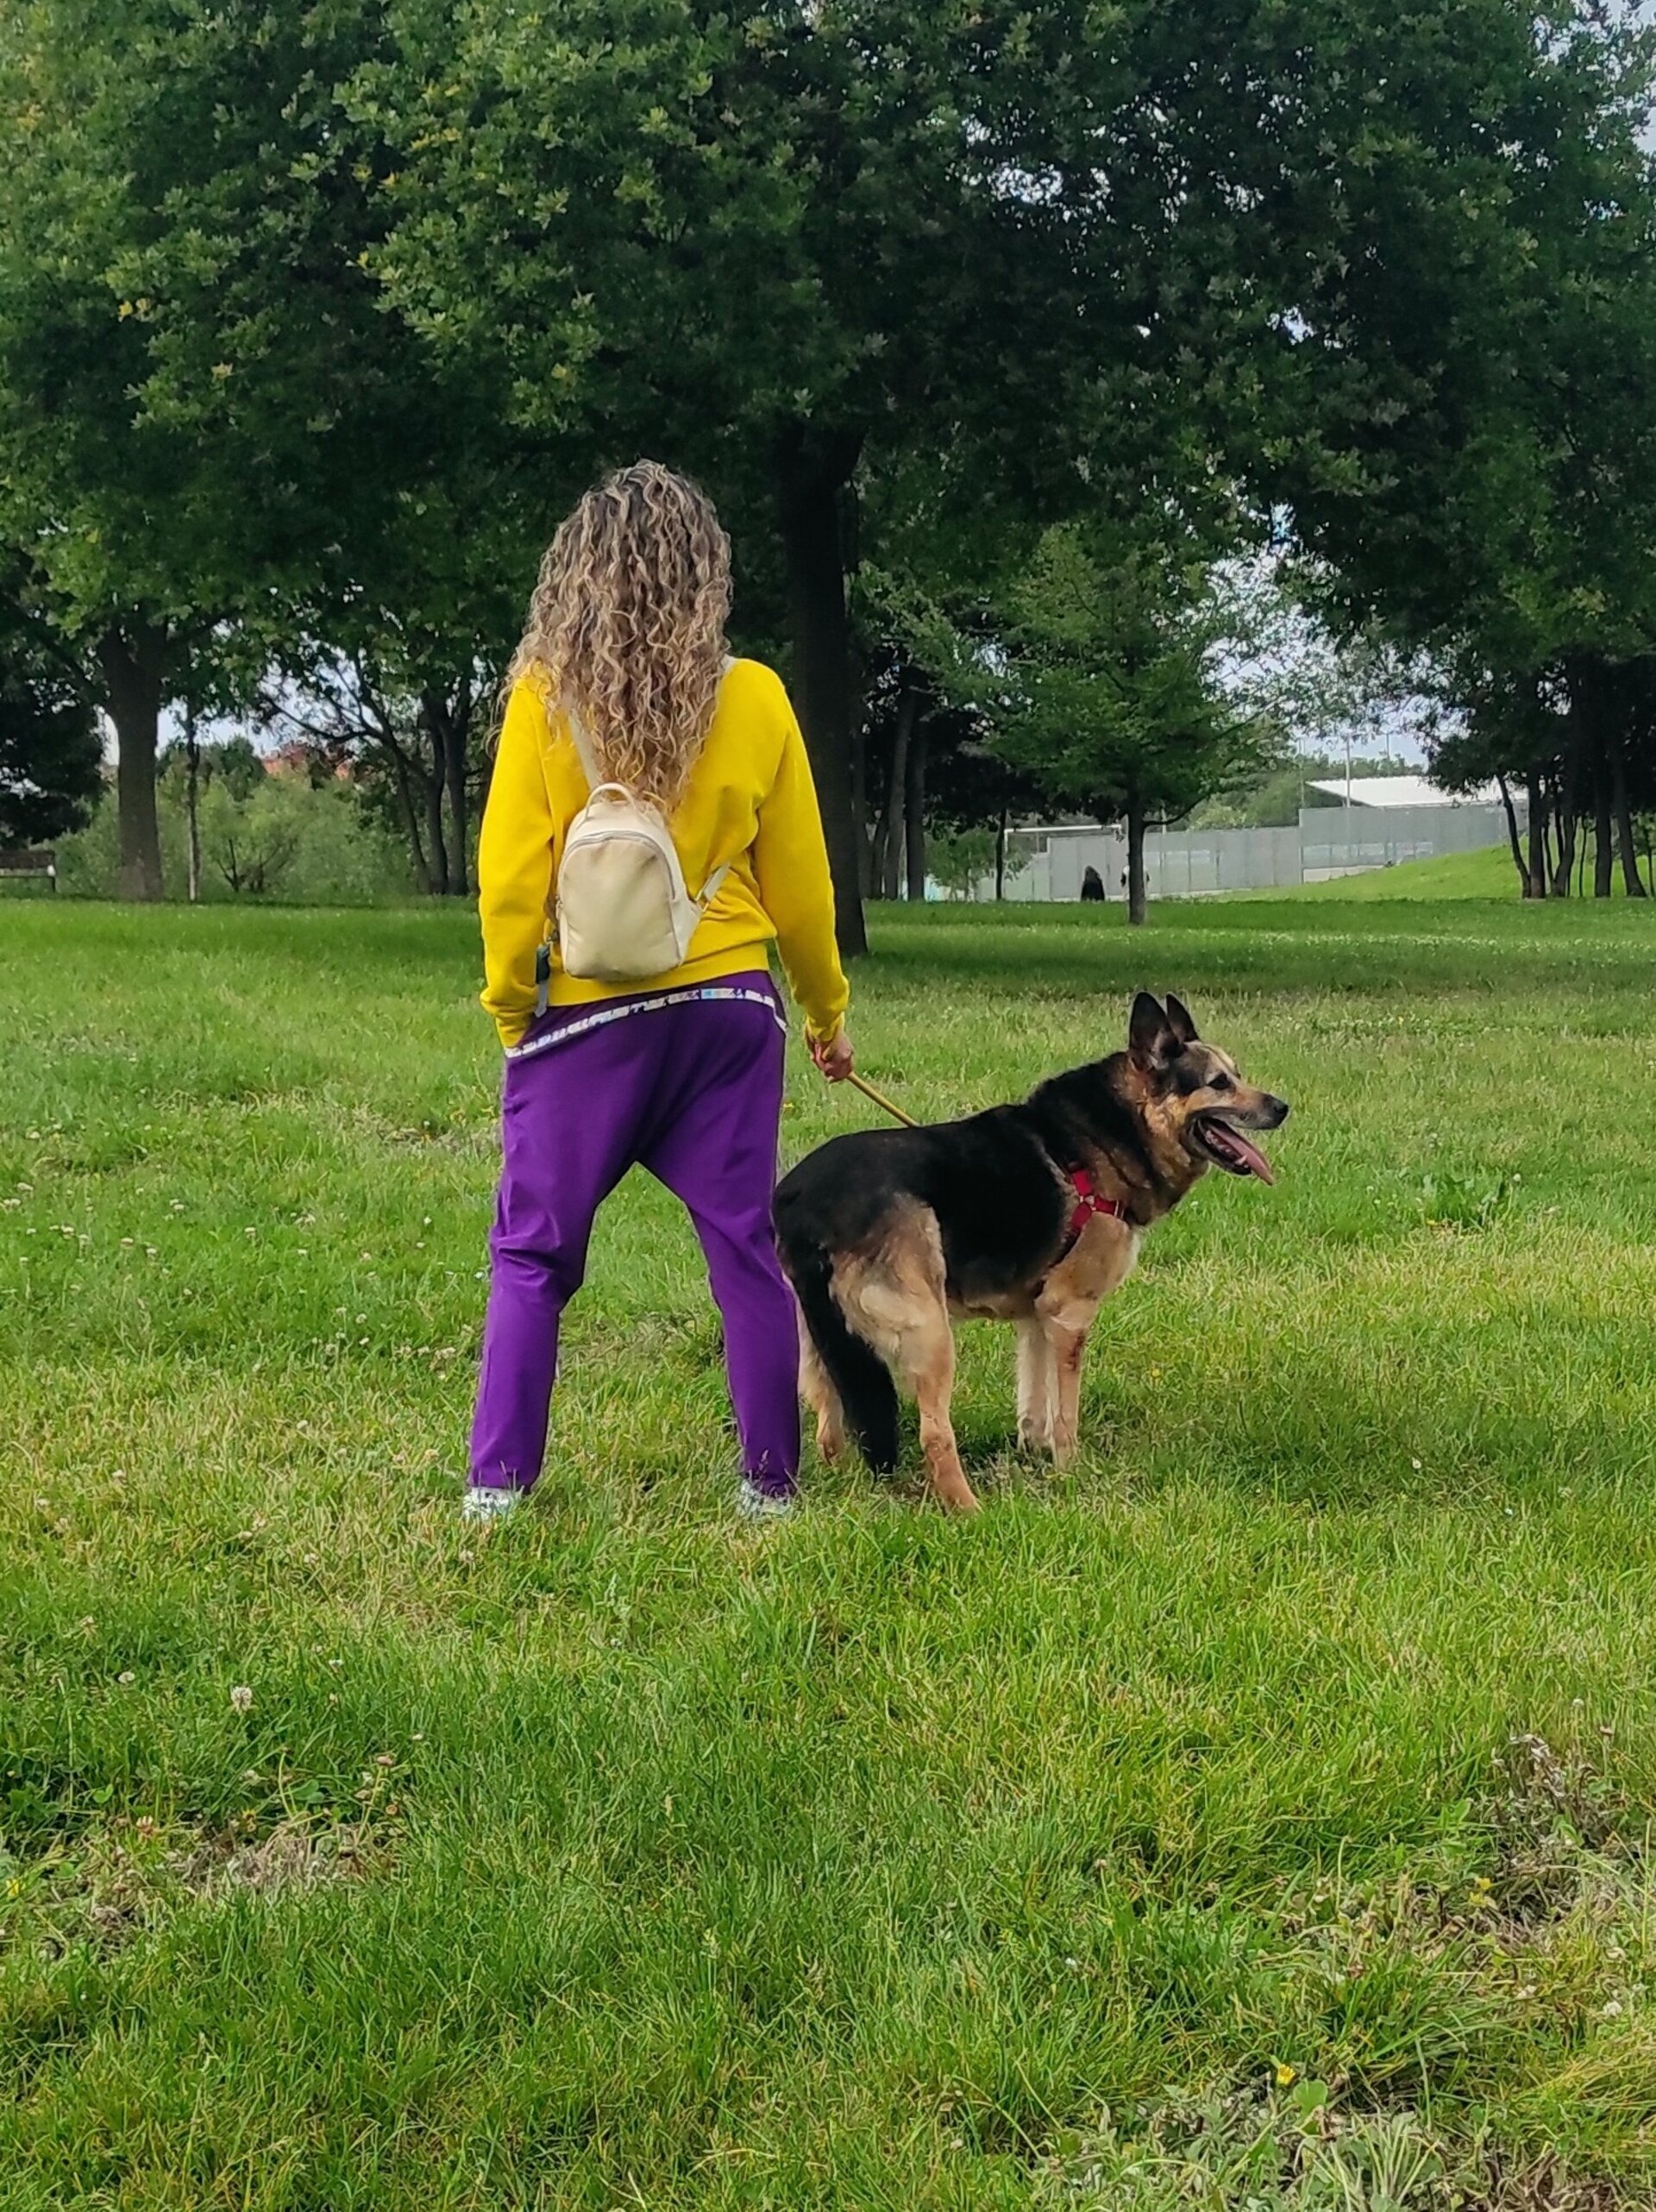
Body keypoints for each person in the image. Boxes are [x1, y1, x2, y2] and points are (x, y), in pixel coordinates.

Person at [465, 461, 853, 1526]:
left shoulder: (544, 696)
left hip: (582, 1020)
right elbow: (805, 892)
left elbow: (509, 877)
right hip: (730, 1013)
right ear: (706, 581)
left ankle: (498, 1490)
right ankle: (768, 1486)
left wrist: (512, 1009)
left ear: (578, 577)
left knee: (534, 1255)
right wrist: (826, 1013)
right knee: (745, 1249)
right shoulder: (759, 696)